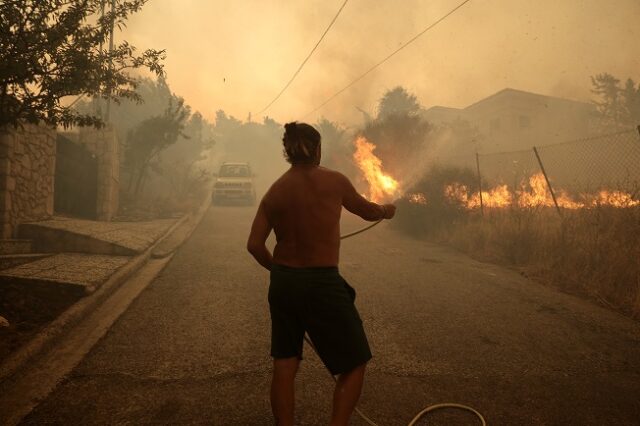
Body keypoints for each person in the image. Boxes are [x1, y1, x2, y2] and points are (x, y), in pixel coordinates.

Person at [247, 122, 396, 426]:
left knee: (285, 363)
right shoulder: (334, 181)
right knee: (354, 362)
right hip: (322, 283)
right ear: (317, 149)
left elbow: (254, 245)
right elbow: (368, 211)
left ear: (287, 152)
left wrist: (279, 271)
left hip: (284, 283)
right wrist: (385, 210)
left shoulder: (274, 192)